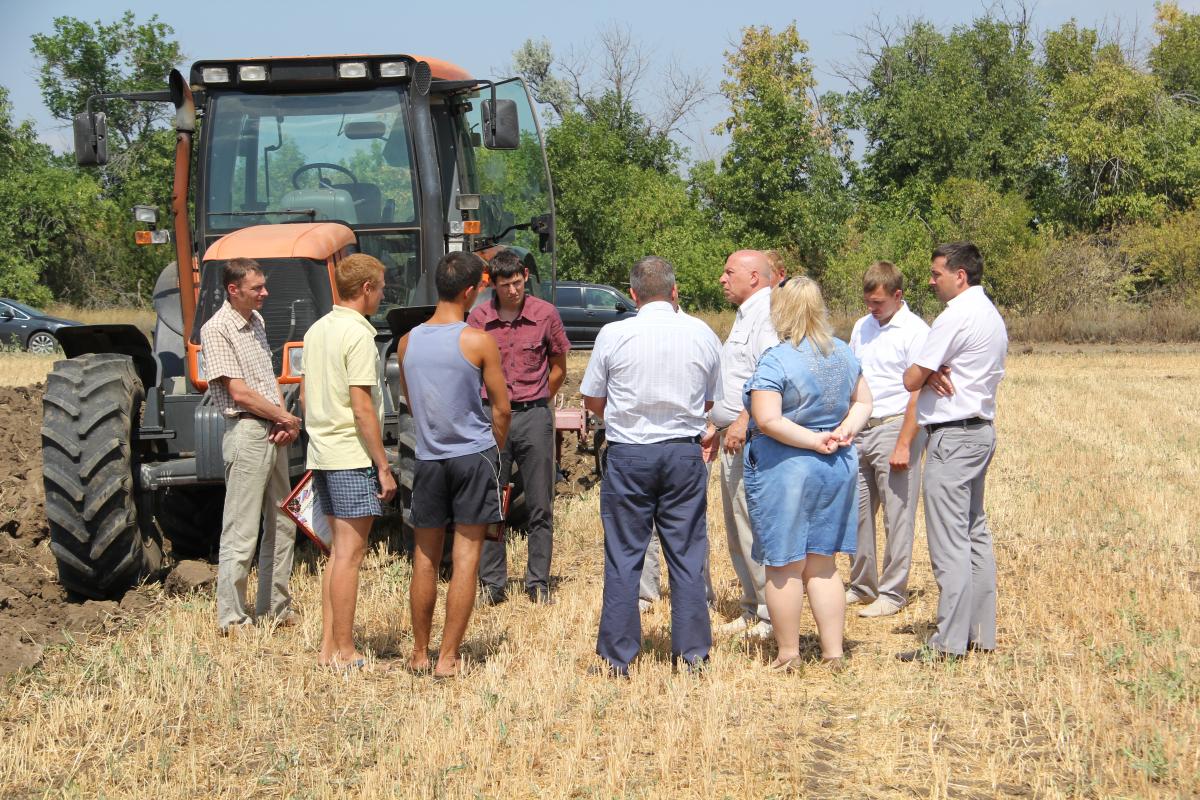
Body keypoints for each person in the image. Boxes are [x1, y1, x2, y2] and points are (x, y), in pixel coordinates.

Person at [581, 256, 721, 677]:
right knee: (686, 551)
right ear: (675, 292)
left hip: (630, 454)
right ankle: (693, 655)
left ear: (633, 295)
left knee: (625, 554)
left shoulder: (613, 334)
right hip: (682, 452)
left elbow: (592, 399)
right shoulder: (701, 332)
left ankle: (617, 657)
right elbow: (713, 400)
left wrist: (621, 418)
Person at [743, 277, 872, 670]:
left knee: (784, 563)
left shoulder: (777, 358)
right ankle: (833, 652)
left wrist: (814, 441)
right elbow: (864, 401)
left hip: (788, 470)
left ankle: (789, 653)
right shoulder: (843, 353)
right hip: (837, 466)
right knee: (823, 562)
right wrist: (843, 431)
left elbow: (766, 419)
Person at [397, 251, 511, 677]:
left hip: (427, 457)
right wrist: (495, 451)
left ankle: (420, 653)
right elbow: (502, 409)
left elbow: (410, 399)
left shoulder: (407, 341)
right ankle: (448, 658)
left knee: (424, 559)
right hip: (472, 456)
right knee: (465, 559)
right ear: (470, 291)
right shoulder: (478, 340)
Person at [899, 242, 1007, 662]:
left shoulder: (954, 316)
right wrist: (932, 375)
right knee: (974, 532)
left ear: (959, 275)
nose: (930, 280)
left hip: (952, 436)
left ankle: (948, 643)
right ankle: (979, 633)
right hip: (979, 431)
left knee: (949, 542)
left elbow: (910, 378)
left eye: (936, 273)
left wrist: (926, 376)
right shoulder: (990, 315)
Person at [301, 253, 397, 669]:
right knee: (350, 557)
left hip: (322, 452)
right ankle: (345, 650)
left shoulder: (316, 330)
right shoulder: (359, 336)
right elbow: (362, 408)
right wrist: (382, 463)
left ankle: (328, 648)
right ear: (366, 290)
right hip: (350, 455)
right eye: (380, 287)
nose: (382, 294)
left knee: (338, 554)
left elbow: (305, 396)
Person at [199, 257, 302, 634]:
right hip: (246, 432)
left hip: (271, 428)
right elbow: (239, 392)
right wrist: (284, 417)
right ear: (233, 290)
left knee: (284, 521)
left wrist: (281, 417)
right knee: (241, 530)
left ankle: (274, 606)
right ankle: (231, 617)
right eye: (257, 288)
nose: (265, 293)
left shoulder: (256, 321)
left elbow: (268, 377)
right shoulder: (217, 329)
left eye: (263, 286)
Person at [467, 248, 570, 605]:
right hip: (491, 417)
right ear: (492, 285)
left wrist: (539, 399)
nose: (513, 290)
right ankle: (493, 584)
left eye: (517, 282)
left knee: (541, 501)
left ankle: (537, 582)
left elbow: (559, 366)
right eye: (504, 285)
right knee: (491, 500)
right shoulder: (479, 319)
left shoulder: (545, 315)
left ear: (525, 276)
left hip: (533, 416)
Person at [846, 261, 930, 618]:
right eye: (868, 302)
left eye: (878, 303)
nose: (872, 309)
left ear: (898, 296)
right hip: (860, 429)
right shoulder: (861, 327)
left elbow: (919, 391)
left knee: (897, 516)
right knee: (856, 513)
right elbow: (853, 377)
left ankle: (893, 593)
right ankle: (862, 585)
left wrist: (904, 443)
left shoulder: (916, 331)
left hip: (896, 426)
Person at [705, 249, 779, 640]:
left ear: (754, 277)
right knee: (737, 528)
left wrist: (743, 419)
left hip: (751, 439)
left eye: (728, 271)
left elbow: (770, 374)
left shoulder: (764, 315)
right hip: (733, 436)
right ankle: (753, 609)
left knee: (752, 526)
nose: (722, 278)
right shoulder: (747, 313)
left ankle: (770, 614)